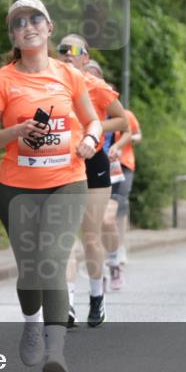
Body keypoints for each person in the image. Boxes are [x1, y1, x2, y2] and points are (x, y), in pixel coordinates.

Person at [0, 0, 102, 372]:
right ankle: (31, 321)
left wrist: (90, 140)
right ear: (13, 35)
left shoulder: (70, 75)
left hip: (66, 181)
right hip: (15, 188)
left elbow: (94, 122)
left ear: (49, 28)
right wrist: (16, 131)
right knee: (30, 272)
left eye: (36, 19)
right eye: (19, 22)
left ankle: (56, 354)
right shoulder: (1, 80)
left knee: (51, 258)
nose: (28, 26)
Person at [57, 36, 128, 327]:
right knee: (63, 239)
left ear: (85, 58)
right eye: (61, 50)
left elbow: (121, 121)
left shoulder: (95, 86)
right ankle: (68, 303)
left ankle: (97, 297)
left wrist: (92, 129)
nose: (66, 55)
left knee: (89, 237)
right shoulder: (50, 85)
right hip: (61, 164)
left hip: (93, 164)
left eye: (73, 51)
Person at [104, 105, 141, 291]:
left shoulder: (125, 115)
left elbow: (136, 134)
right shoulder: (86, 113)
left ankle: (117, 252)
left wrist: (121, 145)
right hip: (100, 167)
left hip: (123, 165)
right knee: (101, 215)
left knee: (116, 207)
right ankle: (108, 256)